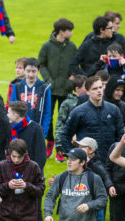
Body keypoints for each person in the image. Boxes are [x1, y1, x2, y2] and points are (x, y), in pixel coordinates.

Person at [62, 76, 124, 163]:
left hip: (110, 160)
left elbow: (121, 135)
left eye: (100, 87)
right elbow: (65, 135)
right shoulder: (78, 112)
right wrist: (74, 155)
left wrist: (118, 154)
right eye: (95, 88)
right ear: (87, 92)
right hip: (88, 161)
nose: (99, 90)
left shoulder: (114, 109)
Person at [38, 18, 76, 156]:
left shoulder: (72, 47)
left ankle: (61, 146)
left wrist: (72, 78)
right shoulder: (47, 46)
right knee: (47, 117)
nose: (71, 33)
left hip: (66, 89)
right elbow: (41, 64)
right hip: (50, 89)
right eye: (69, 30)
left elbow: (75, 64)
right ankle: (50, 141)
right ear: (61, 31)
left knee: (65, 119)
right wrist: (48, 79)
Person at [9, 58, 52, 155]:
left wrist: (43, 133)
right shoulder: (17, 87)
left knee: (35, 161)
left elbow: (47, 112)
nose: (31, 74)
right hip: (19, 130)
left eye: (34, 71)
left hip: (37, 131)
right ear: (24, 70)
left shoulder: (44, 88)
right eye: (28, 71)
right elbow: (12, 109)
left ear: (39, 71)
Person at [54, 74, 87, 162]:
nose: (88, 89)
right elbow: (60, 124)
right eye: (85, 87)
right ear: (77, 88)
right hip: (71, 141)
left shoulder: (89, 102)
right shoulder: (67, 103)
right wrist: (58, 144)